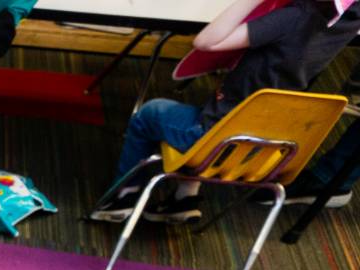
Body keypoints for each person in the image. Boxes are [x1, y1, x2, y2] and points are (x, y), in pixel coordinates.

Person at [91, 0, 360, 225]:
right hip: (263, 154)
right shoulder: (342, 29)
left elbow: (206, 42)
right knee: (217, 107)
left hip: (212, 141)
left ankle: (123, 195)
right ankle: (184, 198)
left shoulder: (294, 18)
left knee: (151, 113)